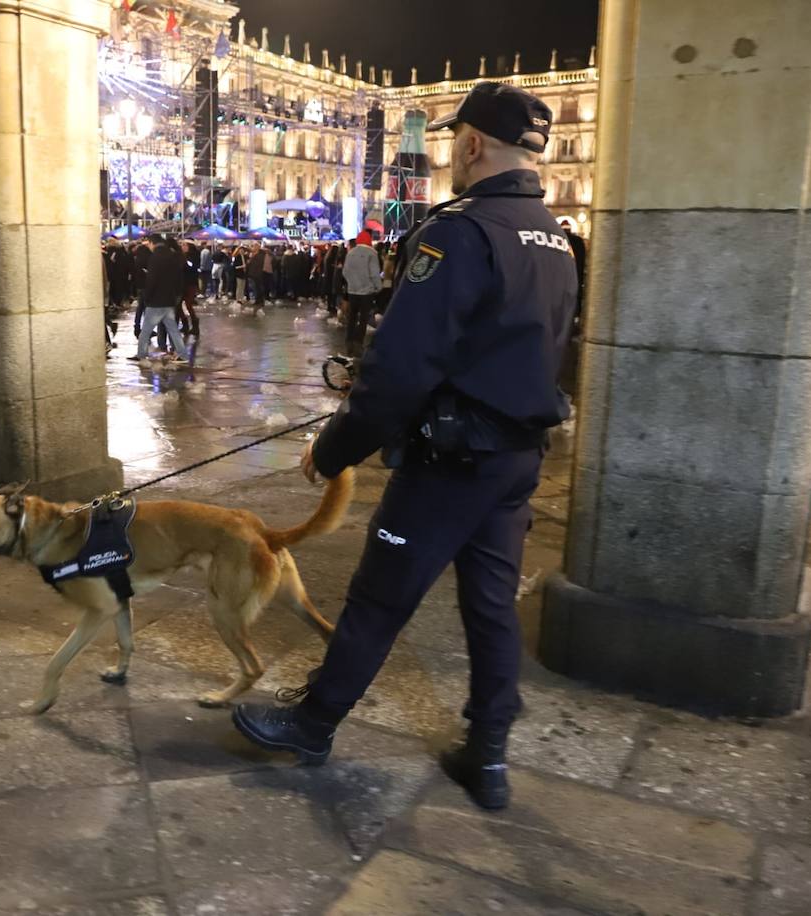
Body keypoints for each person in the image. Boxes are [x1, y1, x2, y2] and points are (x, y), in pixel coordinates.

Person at [232, 82, 577, 813]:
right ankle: (487, 756)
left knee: (378, 598)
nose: (453, 152)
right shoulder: (557, 239)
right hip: (516, 460)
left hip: (450, 462)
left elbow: (399, 370)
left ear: (476, 143)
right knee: (490, 607)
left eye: (457, 140)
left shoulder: (459, 232)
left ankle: (314, 722)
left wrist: (335, 449)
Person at [130, 236, 191, 364]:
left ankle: (141, 354)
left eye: (149, 245)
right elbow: (178, 277)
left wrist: (147, 296)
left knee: (146, 330)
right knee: (173, 329)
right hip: (169, 298)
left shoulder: (154, 257)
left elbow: (152, 279)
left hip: (156, 300)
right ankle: (183, 354)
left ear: (153, 243)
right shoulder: (172, 256)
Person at [341, 230, 381, 356]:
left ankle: (349, 342)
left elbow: (345, 272)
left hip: (352, 291)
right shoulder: (372, 253)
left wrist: (352, 283)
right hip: (366, 292)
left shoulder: (350, 253)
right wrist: (378, 287)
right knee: (363, 319)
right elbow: (374, 273)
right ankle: (358, 343)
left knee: (352, 317)